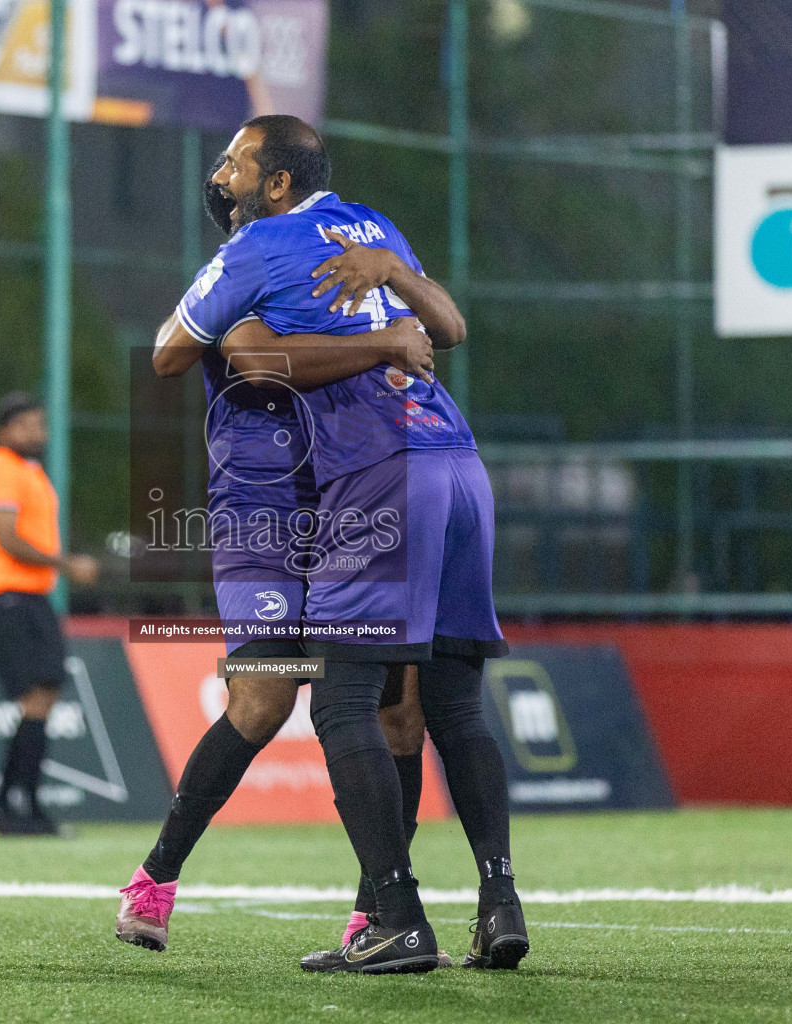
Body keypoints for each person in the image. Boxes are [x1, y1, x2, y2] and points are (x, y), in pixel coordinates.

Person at [152, 115, 526, 973]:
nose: (226, 179)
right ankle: (499, 903)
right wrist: (392, 300)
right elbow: (449, 329)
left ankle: (395, 917)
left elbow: (173, 353)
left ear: (276, 182)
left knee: (340, 702)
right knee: (453, 707)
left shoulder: (258, 247)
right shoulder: (375, 228)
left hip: (380, 470)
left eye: (240, 165)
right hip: (460, 465)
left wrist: (242, 315)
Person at [115, 156, 440, 957]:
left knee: (398, 712)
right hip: (260, 515)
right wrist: (384, 341)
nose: (226, 183)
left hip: (355, 498)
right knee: (262, 700)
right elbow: (249, 358)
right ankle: (156, 880)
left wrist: (391, 320)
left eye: (237, 168)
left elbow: (420, 328)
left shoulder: (332, 284)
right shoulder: (237, 283)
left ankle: (378, 911)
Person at [0, 392, 98, 835]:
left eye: (39, 424)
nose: (35, 433)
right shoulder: (1, 467)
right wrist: (67, 565)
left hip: (29, 597)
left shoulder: (30, 470)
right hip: (8, 595)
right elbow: (5, 538)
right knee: (35, 698)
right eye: (25, 425)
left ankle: (13, 802)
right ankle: (16, 804)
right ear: (4, 430)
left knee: (44, 695)